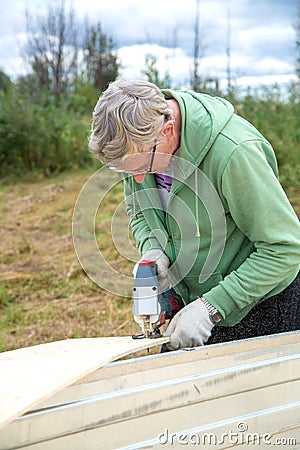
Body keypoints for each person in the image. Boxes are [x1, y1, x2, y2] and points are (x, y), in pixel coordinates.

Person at [89, 79, 300, 350]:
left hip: (262, 306)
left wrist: (213, 307)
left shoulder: (234, 152)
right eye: (125, 171)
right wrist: (154, 249)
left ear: (166, 130)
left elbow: (285, 248)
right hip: (194, 305)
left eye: (142, 166)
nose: (137, 178)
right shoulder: (140, 151)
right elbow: (139, 211)